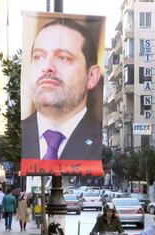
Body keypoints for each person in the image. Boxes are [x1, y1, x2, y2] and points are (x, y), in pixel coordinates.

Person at [21, 18, 103, 160]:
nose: (47, 67)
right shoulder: (19, 134)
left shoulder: (101, 139)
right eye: (39, 57)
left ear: (91, 76)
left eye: (63, 58)